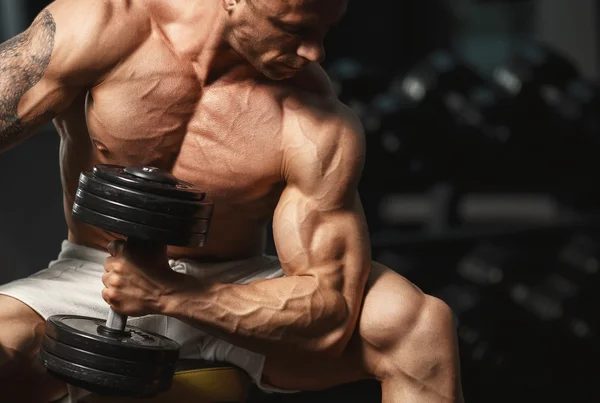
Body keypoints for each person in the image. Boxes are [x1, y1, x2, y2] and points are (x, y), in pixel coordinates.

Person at [0, 0, 465, 402]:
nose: (314, 53)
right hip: (93, 274)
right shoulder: (101, 24)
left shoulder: (315, 118)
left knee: (419, 326)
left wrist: (172, 294)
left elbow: (331, 310)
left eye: (324, 30)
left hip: (235, 281)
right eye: (293, 28)